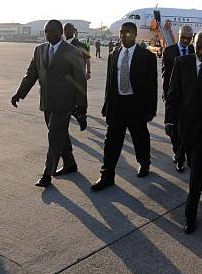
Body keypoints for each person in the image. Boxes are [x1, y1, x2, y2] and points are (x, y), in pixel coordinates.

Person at [11, 20, 88, 188]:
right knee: (60, 134)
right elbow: (31, 74)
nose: (47, 35)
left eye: (51, 31)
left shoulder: (72, 51)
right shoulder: (40, 50)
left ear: (60, 31)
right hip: (46, 102)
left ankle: (47, 174)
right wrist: (20, 93)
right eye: (46, 32)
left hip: (64, 103)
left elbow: (80, 80)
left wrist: (82, 106)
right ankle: (70, 163)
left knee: (54, 137)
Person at [165, 30, 202, 234]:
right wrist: (169, 120)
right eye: (198, 47)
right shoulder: (182, 63)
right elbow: (173, 94)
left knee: (196, 171)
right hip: (185, 127)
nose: (201, 51)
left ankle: (190, 216)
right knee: (193, 165)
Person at [91, 22, 157, 191]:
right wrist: (106, 105)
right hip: (117, 104)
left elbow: (152, 86)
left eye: (126, 33)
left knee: (140, 137)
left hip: (136, 105)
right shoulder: (114, 55)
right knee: (111, 140)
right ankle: (107, 175)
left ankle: (144, 163)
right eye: (121, 33)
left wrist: (150, 110)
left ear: (135, 35)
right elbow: (109, 83)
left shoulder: (146, 57)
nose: (122, 35)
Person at [161, 25, 194, 172]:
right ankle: (177, 151)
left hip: (190, 97)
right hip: (173, 95)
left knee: (186, 128)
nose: (186, 40)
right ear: (178, 35)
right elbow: (165, 73)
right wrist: (165, 92)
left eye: (189, 38)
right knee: (172, 126)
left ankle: (181, 157)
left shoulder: (195, 50)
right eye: (183, 37)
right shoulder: (169, 51)